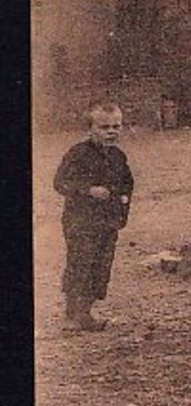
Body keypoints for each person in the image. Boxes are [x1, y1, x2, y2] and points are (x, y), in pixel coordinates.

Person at [54, 103, 134, 332]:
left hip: (107, 221)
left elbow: (127, 185)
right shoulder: (78, 154)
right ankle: (74, 313)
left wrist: (121, 208)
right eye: (104, 127)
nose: (111, 131)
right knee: (81, 262)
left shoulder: (118, 157)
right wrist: (87, 190)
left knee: (101, 265)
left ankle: (86, 311)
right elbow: (60, 182)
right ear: (90, 129)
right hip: (81, 221)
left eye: (116, 126)